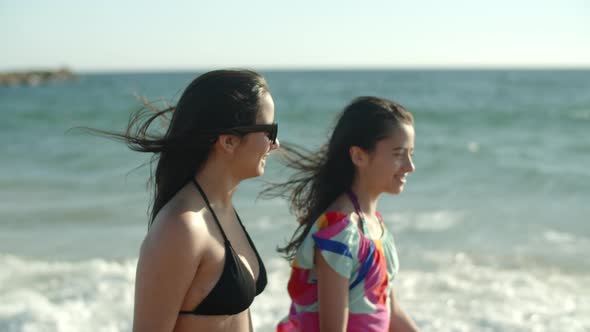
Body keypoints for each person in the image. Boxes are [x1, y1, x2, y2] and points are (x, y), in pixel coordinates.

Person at [91, 69, 279, 331]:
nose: (276, 144)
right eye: (270, 131)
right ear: (228, 141)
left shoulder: (221, 209)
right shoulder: (182, 228)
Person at [271, 96, 420, 331]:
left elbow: (389, 310)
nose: (410, 166)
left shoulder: (374, 226)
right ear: (359, 156)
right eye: (398, 153)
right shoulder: (339, 232)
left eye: (411, 153)